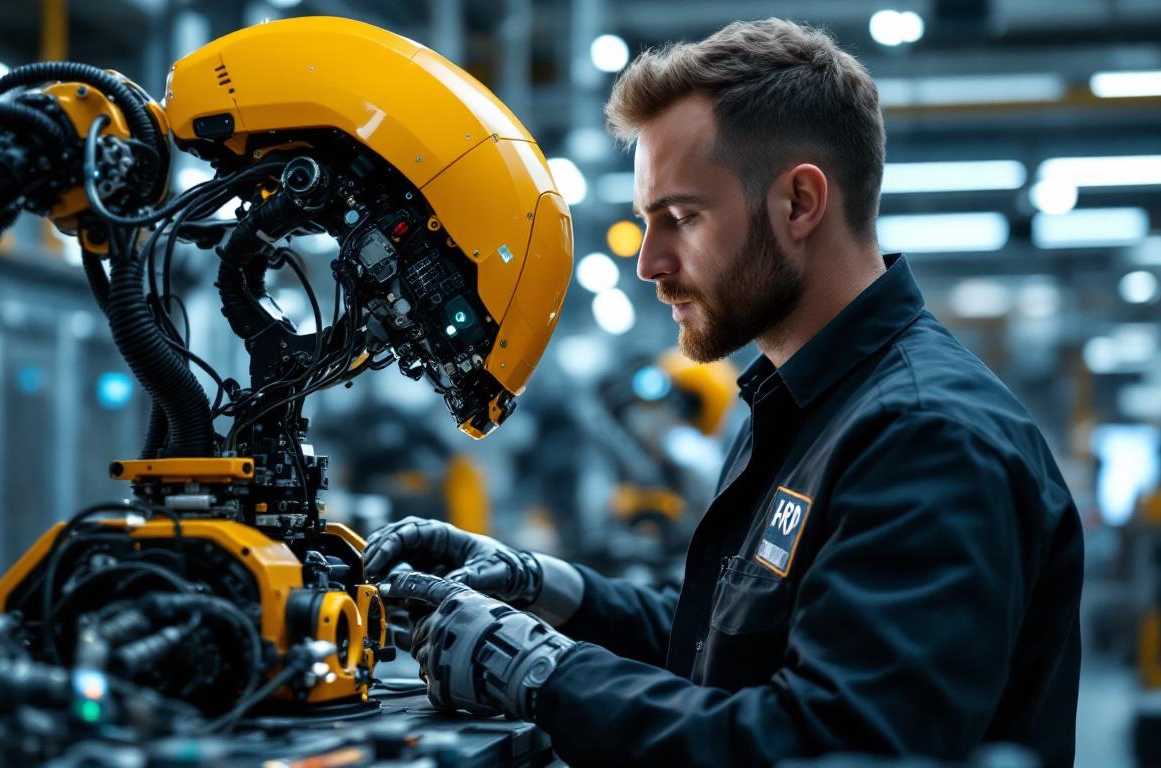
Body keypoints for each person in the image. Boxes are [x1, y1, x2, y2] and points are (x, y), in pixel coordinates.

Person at [368, 17, 1083, 766]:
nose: (649, 262)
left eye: (680, 217)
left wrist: (545, 673)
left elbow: (830, 744)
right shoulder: (804, 404)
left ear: (800, 204)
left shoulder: (926, 437)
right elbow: (730, 638)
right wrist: (543, 588)